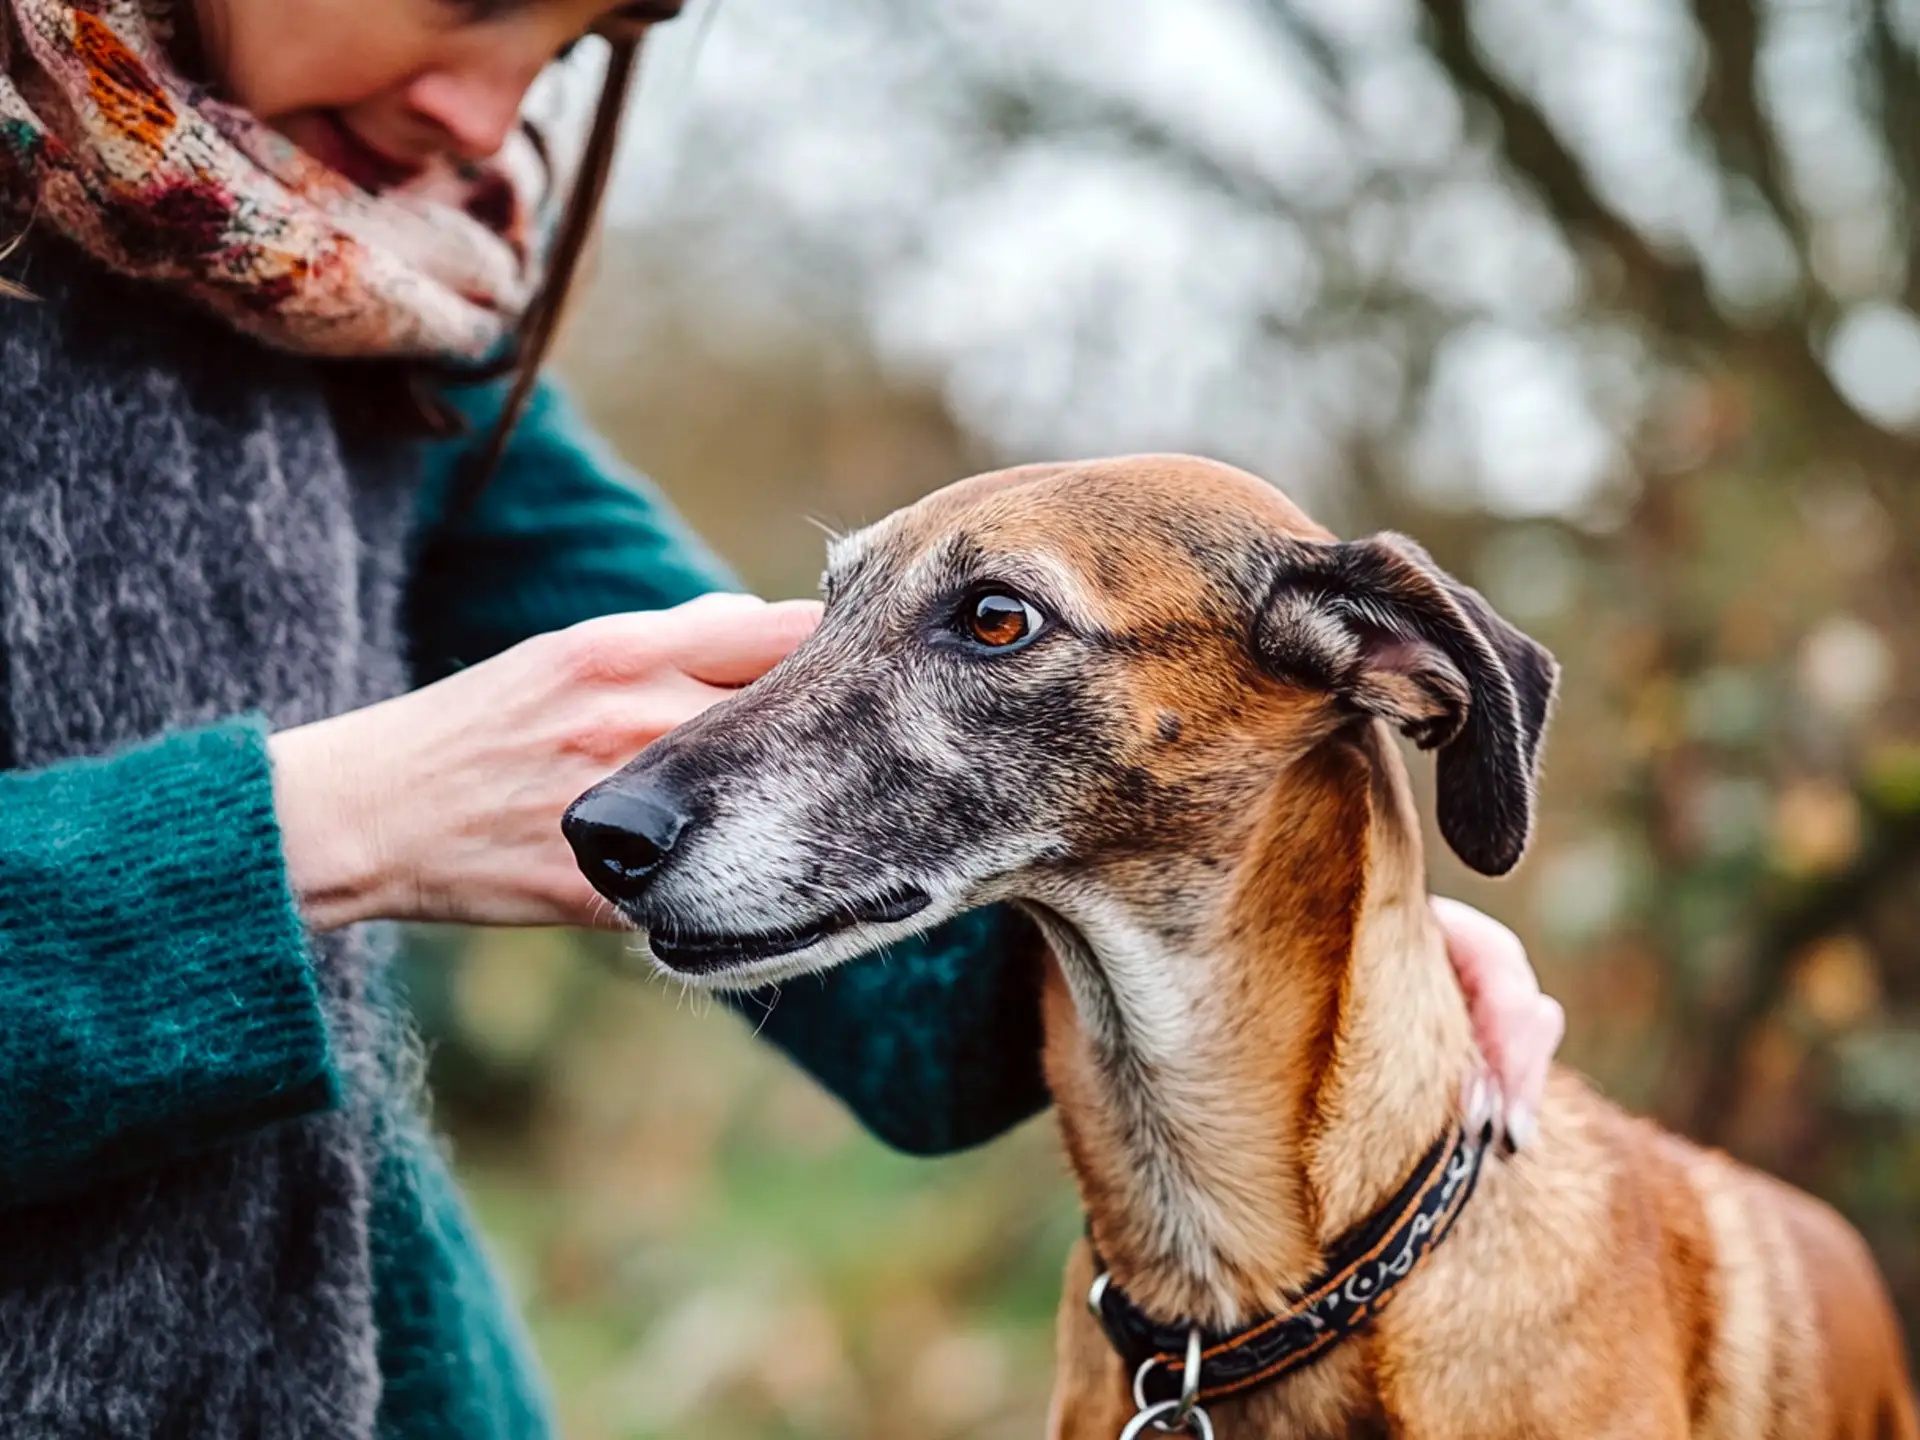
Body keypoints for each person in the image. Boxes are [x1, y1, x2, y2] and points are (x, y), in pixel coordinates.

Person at [0, 1, 1567, 1437]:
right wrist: (310, 833)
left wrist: (1287, 921)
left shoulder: (400, 320)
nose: (486, 122)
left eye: (575, 47)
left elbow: (909, 1015)